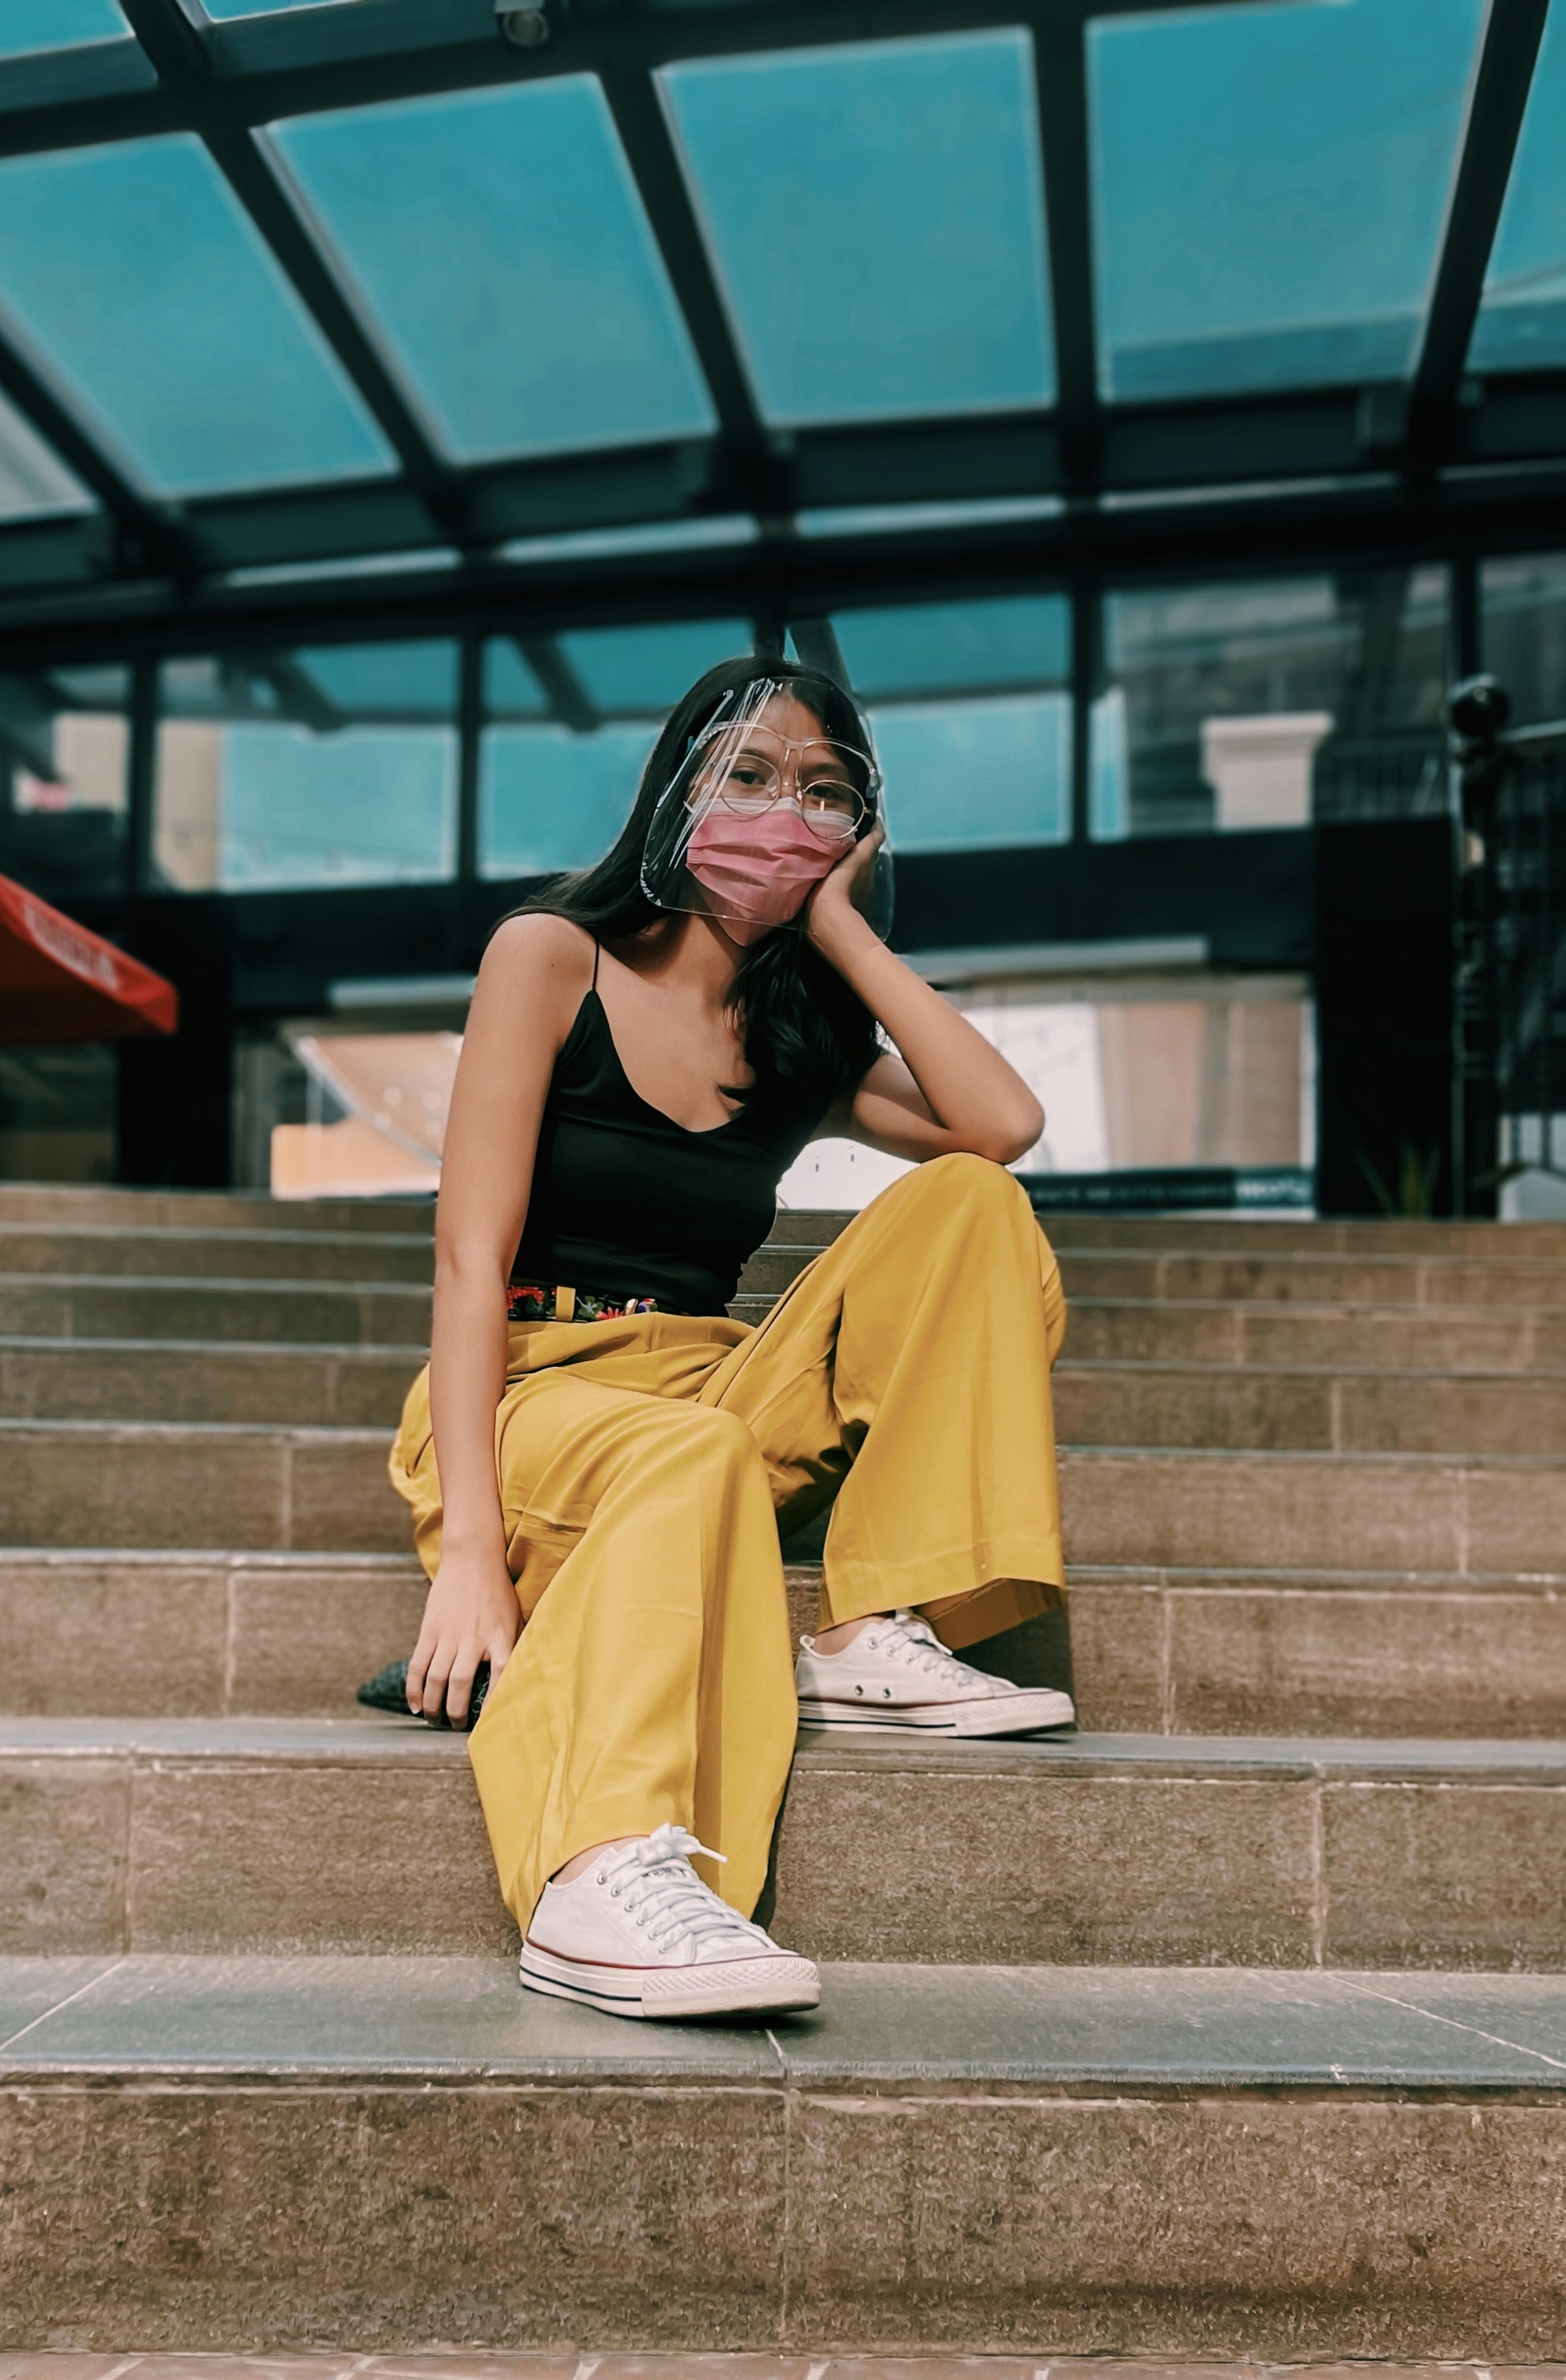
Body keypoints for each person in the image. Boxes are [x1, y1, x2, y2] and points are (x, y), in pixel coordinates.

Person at [388, 654, 1072, 2024]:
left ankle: (877, 1622)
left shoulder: (800, 1036)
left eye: (822, 791)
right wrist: (470, 1548)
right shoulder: (548, 957)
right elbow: (469, 1260)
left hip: (713, 1388)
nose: (782, 809)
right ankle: (594, 1868)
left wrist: (849, 942)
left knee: (971, 1204)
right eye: (748, 773)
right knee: (684, 1449)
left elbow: (1002, 1128)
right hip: (545, 1390)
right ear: (678, 790)